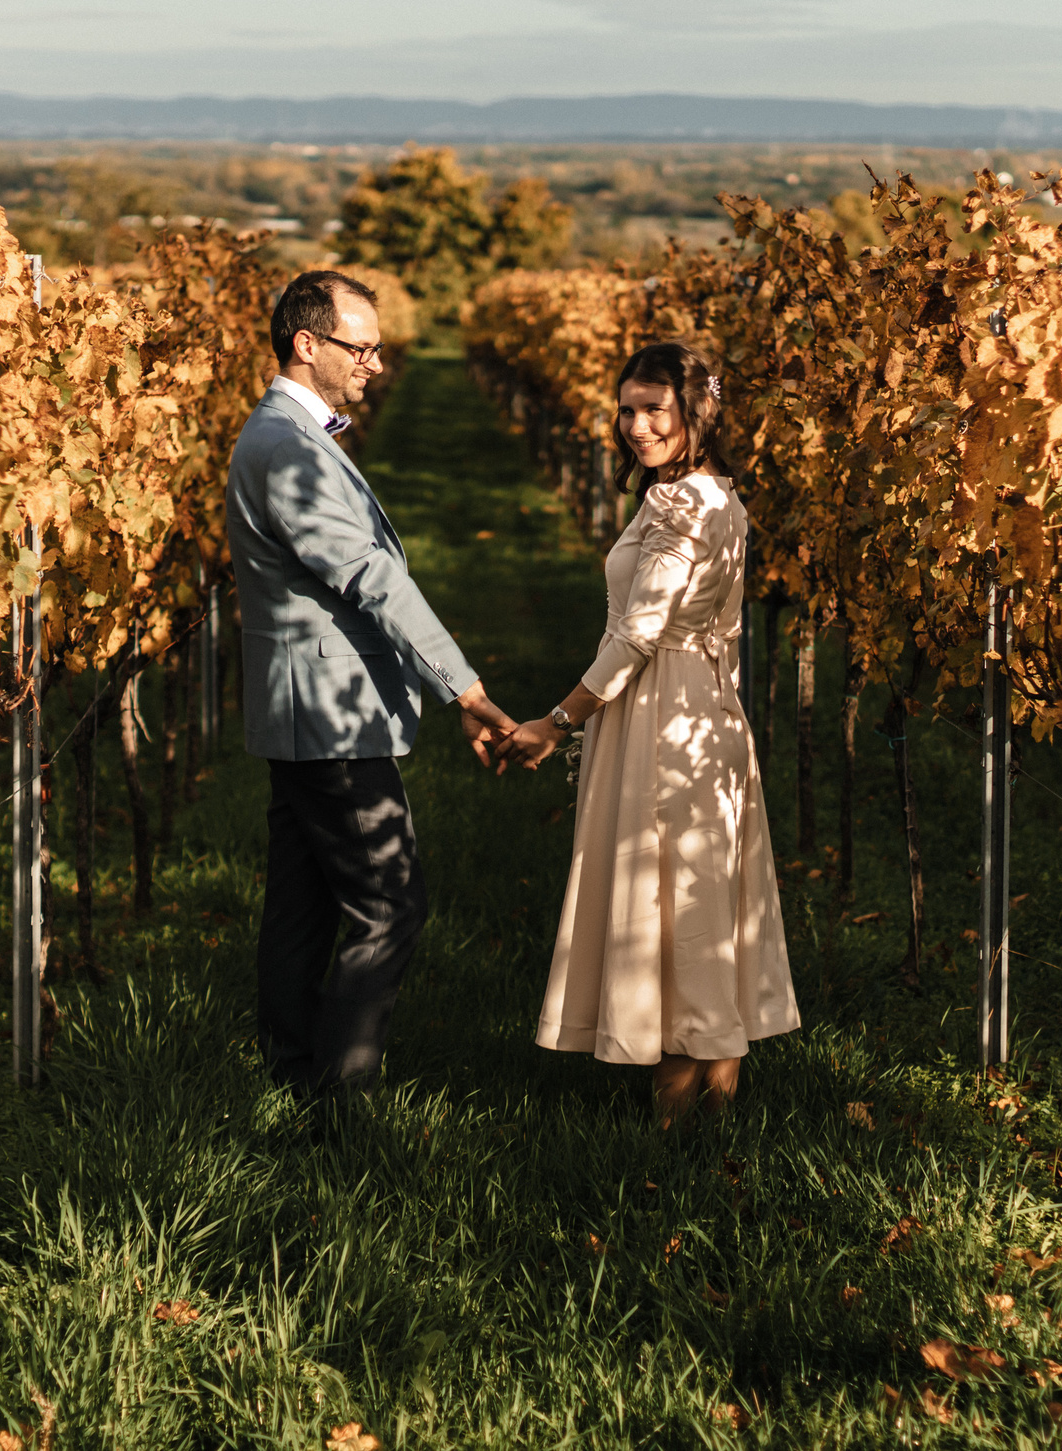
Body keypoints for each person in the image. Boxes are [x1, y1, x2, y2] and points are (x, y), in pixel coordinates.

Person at [227, 269, 518, 1109]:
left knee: (304, 900)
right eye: (362, 348)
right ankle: (339, 1102)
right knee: (389, 905)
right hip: (330, 716)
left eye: (380, 349)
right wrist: (465, 689)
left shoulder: (287, 433)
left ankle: (288, 1072)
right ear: (305, 343)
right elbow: (369, 577)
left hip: (307, 709)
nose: (377, 365)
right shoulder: (285, 446)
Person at [493, 341, 801, 1123]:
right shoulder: (713, 493)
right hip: (707, 714)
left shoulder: (682, 502)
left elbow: (638, 634)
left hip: (666, 720)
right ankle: (716, 1128)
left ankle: (669, 1135)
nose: (635, 424)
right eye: (627, 408)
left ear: (694, 410)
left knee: (671, 911)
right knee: (706, 904)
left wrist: (555, 723)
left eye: (653, 408)